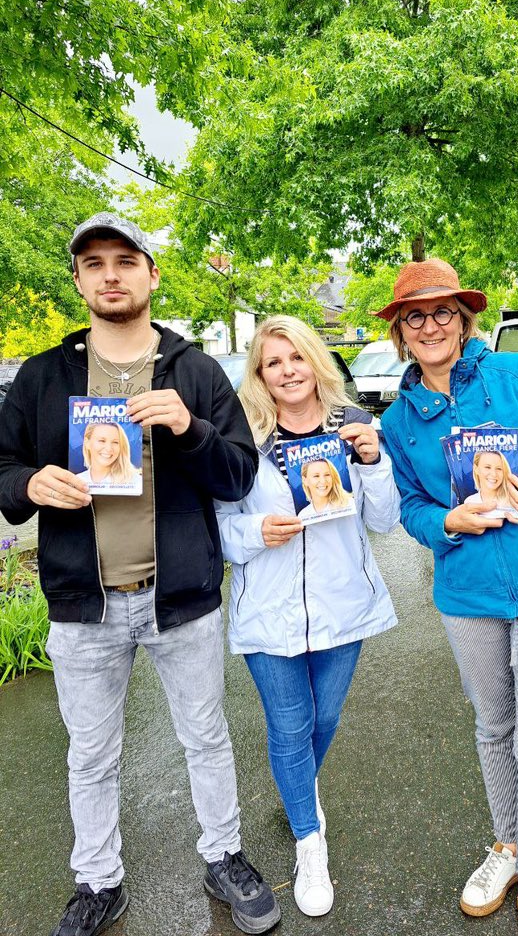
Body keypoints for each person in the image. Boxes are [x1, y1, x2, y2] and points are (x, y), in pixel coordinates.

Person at [0, 212, 280, 936]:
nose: (110, 274)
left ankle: (223, 856)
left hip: (180, 599)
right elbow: (2, 468)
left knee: (206, 737)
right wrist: (29, 485)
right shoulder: (42, 376)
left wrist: (190, 428)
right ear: (80, 281)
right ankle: (98, 880)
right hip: (82, 607)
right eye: (94, 263)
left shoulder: (194, 371)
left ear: (152, 274)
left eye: (125, 260)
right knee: (90, 753)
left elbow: (240, 476)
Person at [376, 259, 518, 936]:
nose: (431, 325)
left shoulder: (515, 375)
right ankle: (507, 845)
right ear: (401, 333)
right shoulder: (399, 421)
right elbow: (410, 506)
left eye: (444, 311)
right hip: (468, 592)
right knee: (494, 727)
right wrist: (446, 522)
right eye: (416, 315)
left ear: (464, 319)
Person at [215, 315, 399, 918]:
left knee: (325, 718)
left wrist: (374, 463)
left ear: (315, 361)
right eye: (273, 363)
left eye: (296, 358)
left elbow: (382, 521)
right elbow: (218, 526)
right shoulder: (241, 437)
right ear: (259, 374)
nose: (287, 371)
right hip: (268, 611)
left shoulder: (354, 427)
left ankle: (298, 792)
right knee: (290, 726)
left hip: (342, 606)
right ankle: (308, 841)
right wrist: (253, 530)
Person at [76, 421, 142, 493]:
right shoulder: (77, 480)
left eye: (115, 442)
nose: (108, 448)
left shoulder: (136, 482)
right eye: (102, 441)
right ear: (87, 443)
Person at [463, 450, 518, 518]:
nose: (493, 474)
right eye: (487, 467)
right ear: (476, 469)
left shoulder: (514, 501)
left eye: (499, 469)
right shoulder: (469, 502)